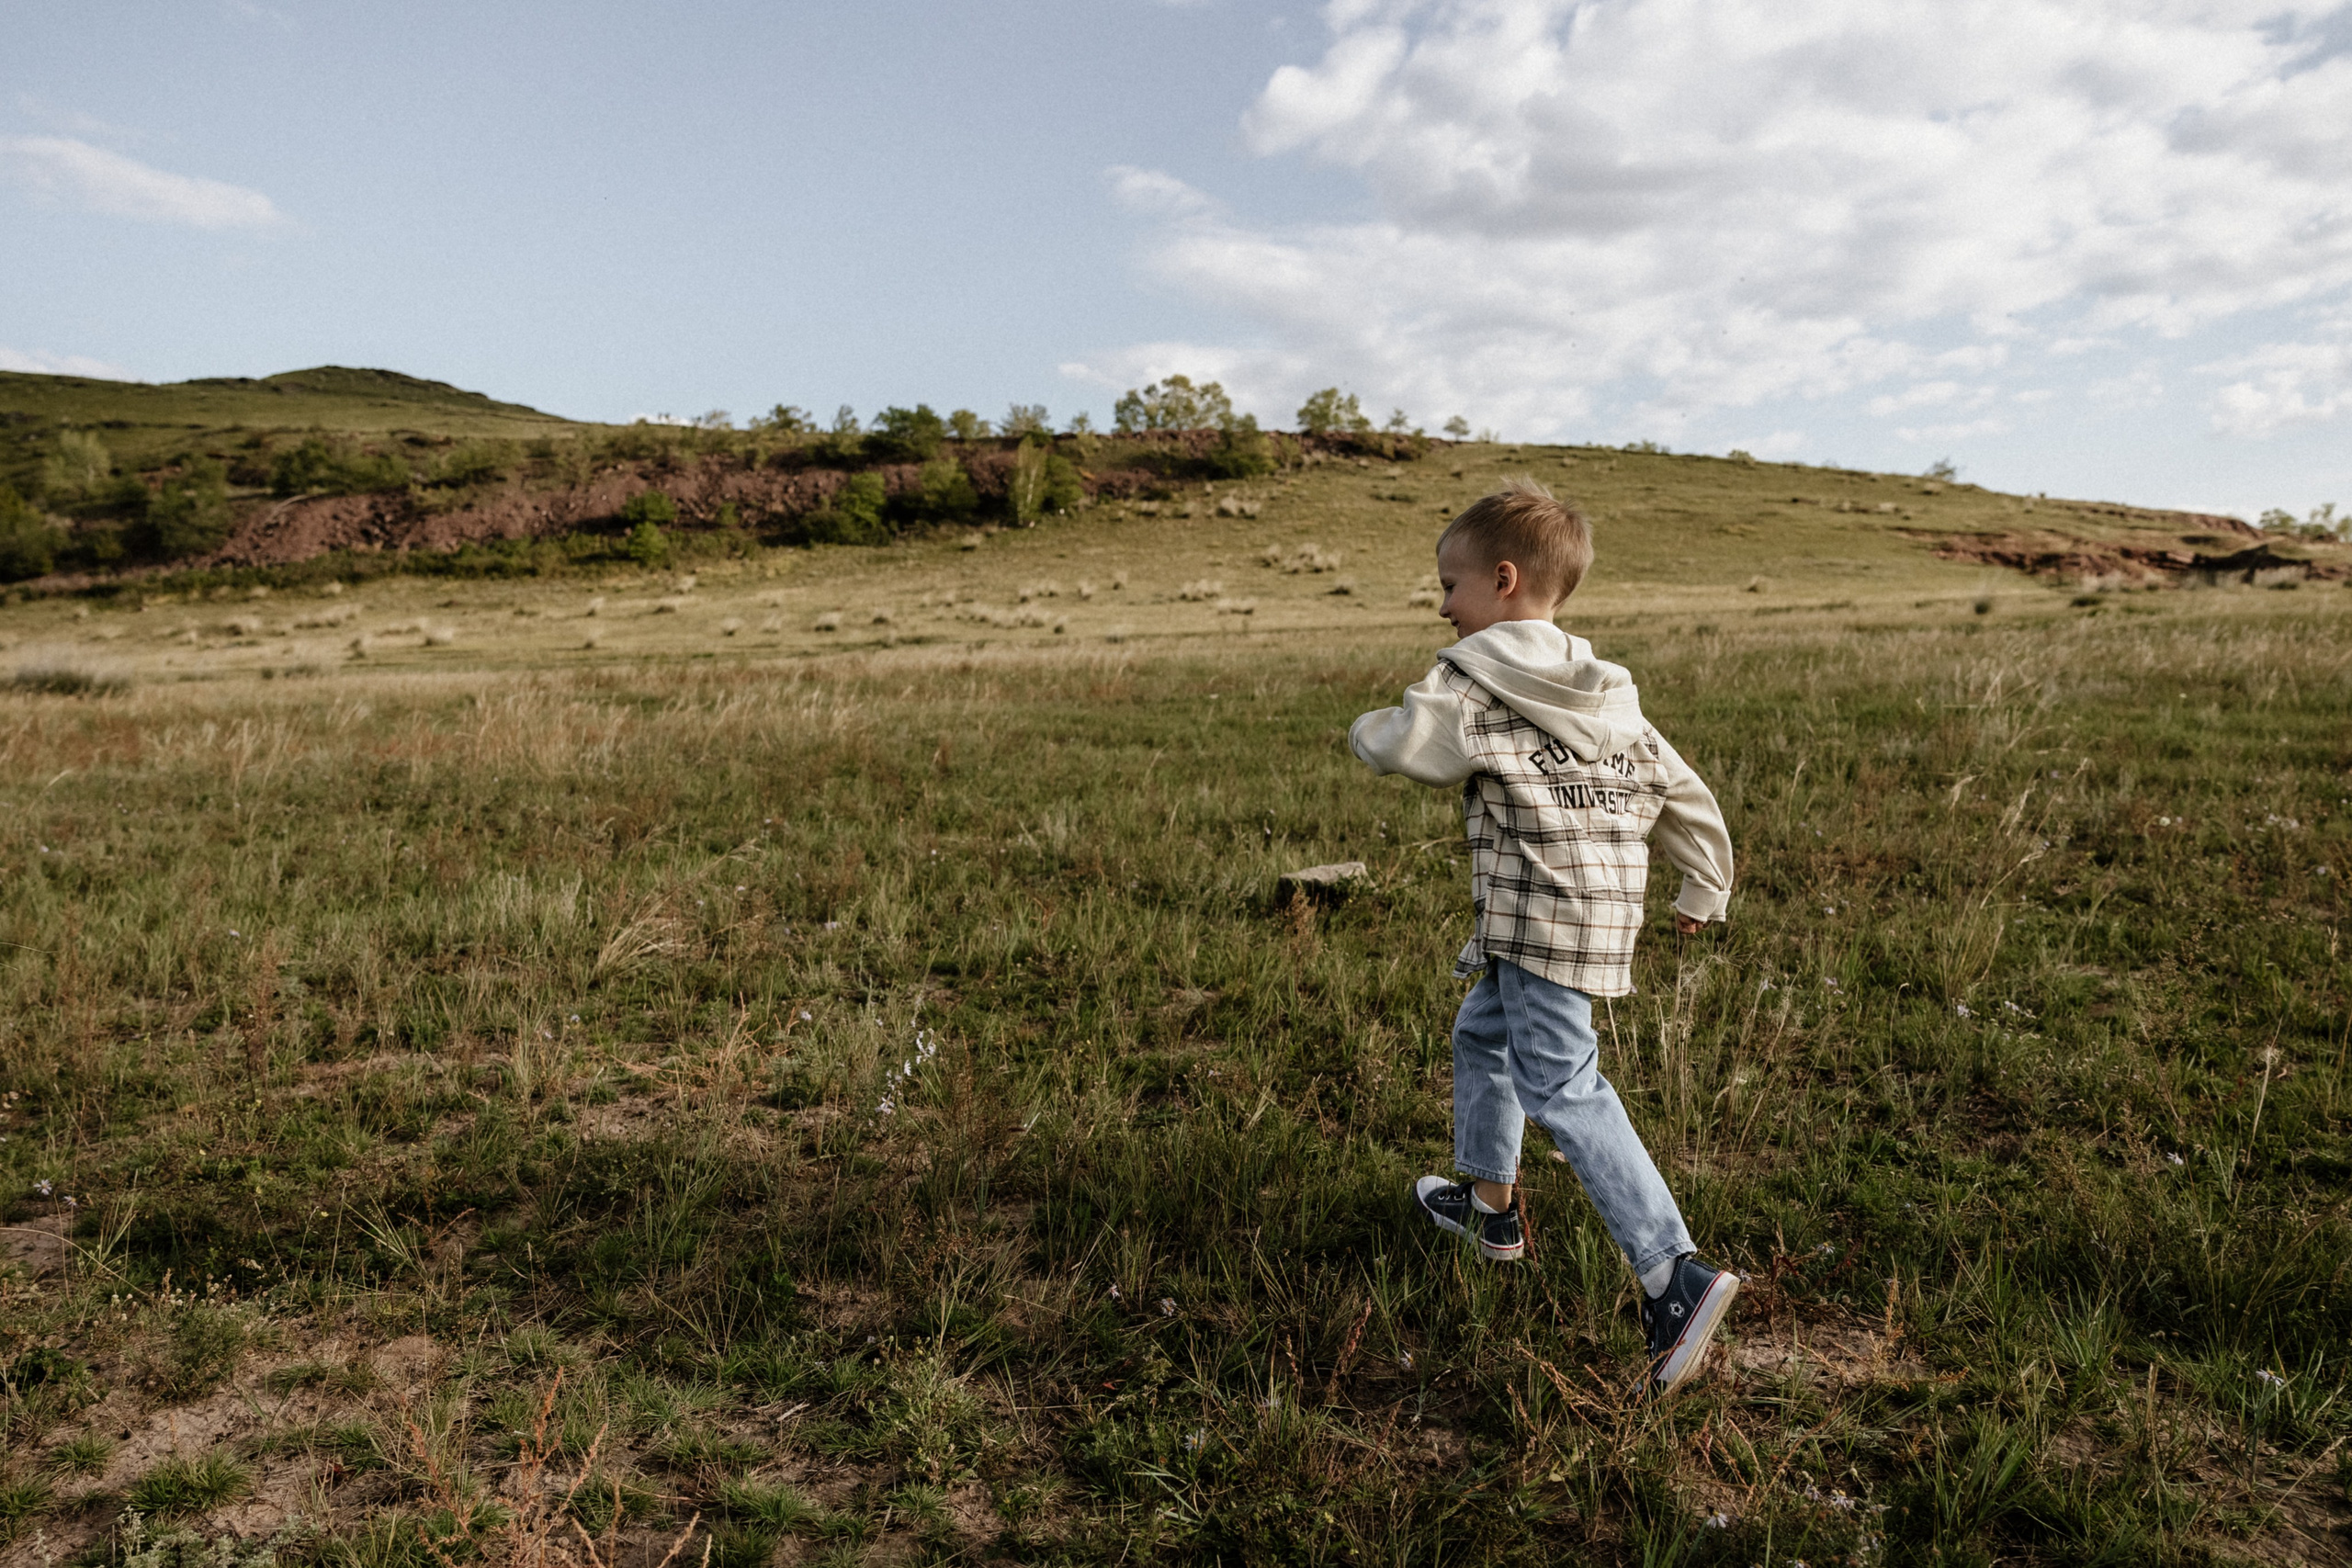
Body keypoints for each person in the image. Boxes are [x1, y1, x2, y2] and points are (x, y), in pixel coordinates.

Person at [1350, 479, 1740, 1396]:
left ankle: (1671, 1274)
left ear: (1504, 580)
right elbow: (1681, 793)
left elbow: (1415, 748)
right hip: (1595, 912)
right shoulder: (1608, 694)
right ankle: (1490, 1207)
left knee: (1564, 1085)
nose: (1442, 605)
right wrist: (1704, 882)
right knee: (1482, 1033)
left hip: (1534, 916)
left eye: (1450, 584)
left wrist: (1369, 730)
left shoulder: (1468, 676)